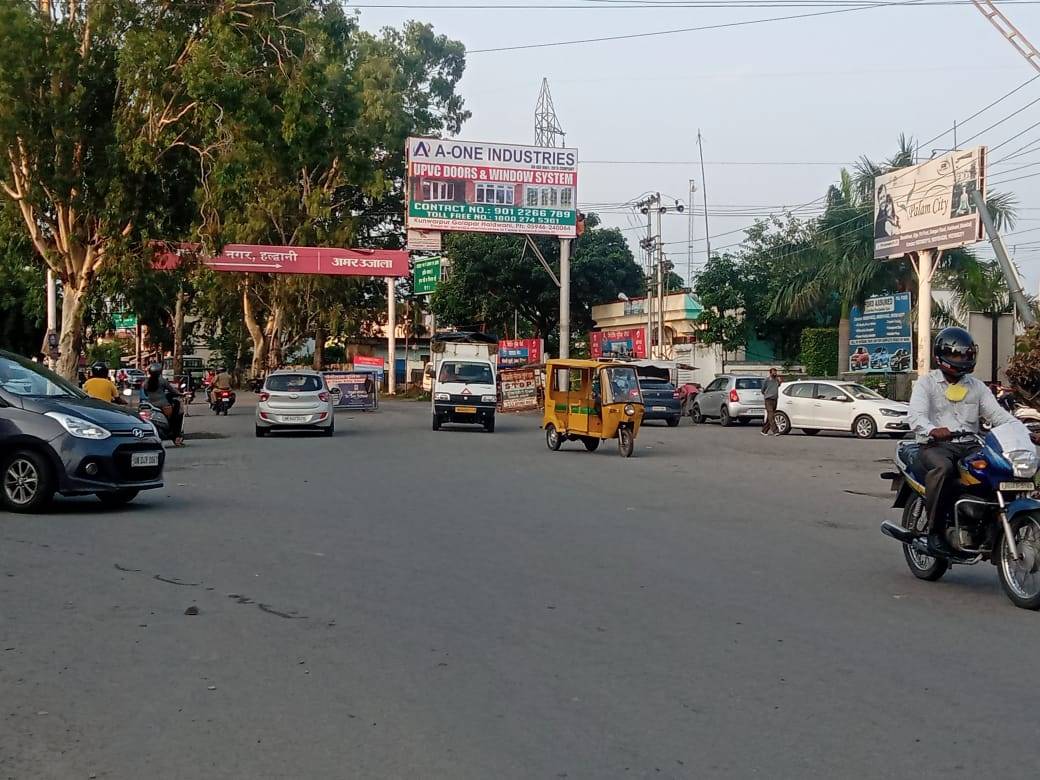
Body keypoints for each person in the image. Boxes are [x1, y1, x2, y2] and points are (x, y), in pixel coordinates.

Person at [908, 327, 1017, 557]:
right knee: (944, 469)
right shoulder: (926, 384)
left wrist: (1024, 430)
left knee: (1000, 469)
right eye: (957, 355)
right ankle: (935, 533)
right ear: (942, 355)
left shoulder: (976, 386)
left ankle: (987, 523)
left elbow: (998, 416)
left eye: (966, 355)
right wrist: (933, 430)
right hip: (935, 446)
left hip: (971, 444)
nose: (962, 359)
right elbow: (916, 416)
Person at [141, 362, 184, 446]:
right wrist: (181, 394)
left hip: (150, 405)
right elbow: (172, 390)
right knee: (175, 419)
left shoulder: (145, 382)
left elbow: (146, 394)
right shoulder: (162, 381)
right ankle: (176, 437)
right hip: (164, 405)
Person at [761, 368, 781, 436]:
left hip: (775, 399)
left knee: (771, 416)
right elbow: (762, 390)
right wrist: (767, 394)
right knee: (771, 414)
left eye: (776, 372)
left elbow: (778, 386)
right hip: (768, 399)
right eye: (773, 372)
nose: (775, 373)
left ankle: (764, 430)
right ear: (770, 373)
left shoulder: (777, 380)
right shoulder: (767, 380)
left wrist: (779, 382)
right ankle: (775, 431)